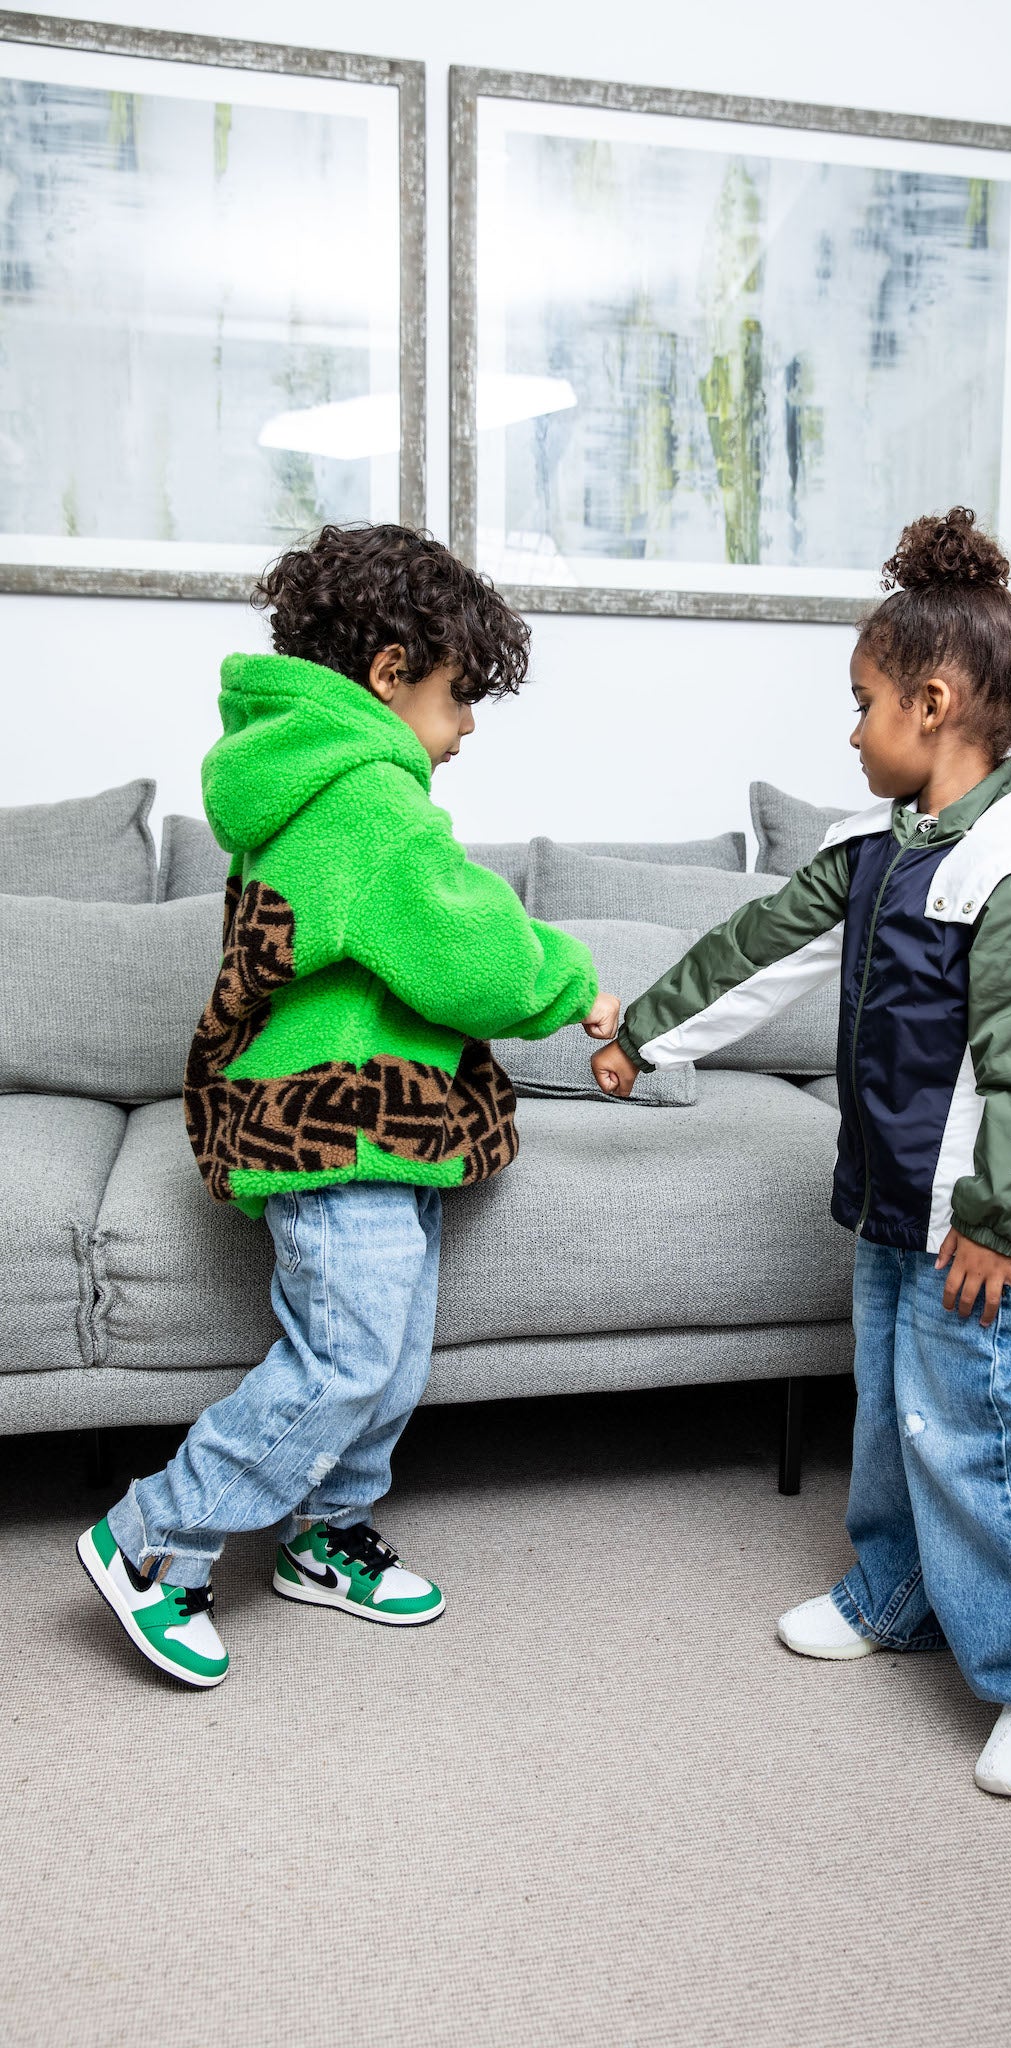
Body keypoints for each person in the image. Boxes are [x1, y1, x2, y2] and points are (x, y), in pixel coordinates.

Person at [592, 507, 1011, 1797]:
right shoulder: (873, 853)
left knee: (975, 1426)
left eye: (863, 703)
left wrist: (1000, 1220)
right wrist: (647, 1036)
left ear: (934, 703)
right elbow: (756, 951)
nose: (850, 731)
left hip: (984, 1231)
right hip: (896, 1207)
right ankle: (896, 1588)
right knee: (893, 1413)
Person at [78, 524, 618, 1688]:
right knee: (349, 1355)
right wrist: (570, 980)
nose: (467, 725)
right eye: (459, 694)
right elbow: (464, 945)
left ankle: (323, 1532)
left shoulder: (328, 783)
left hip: (375, 1123)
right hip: (336, 1129)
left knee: (388, 1351)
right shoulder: (367, 802)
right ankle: (152, 1535)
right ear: (388, 671)